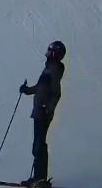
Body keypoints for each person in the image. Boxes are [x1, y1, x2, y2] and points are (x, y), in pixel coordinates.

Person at [18, 41, 65, 187]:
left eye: (49, 50)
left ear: (54, 53)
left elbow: (57, 93)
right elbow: (41, 87)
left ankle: (40, 179)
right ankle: (39, 178)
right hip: (39, 111)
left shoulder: (55, 69)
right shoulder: (49, 68)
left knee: (39, 144)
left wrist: (48, 109)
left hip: (43, 112)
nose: (47, 52)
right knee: (38, 144)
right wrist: (27, 90)